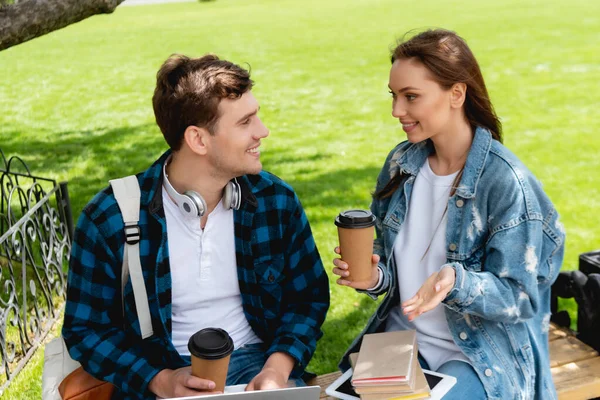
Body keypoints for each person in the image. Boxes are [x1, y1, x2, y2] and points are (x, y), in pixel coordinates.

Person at [62, 54, 330, 399]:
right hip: (159, 367)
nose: (262, 131)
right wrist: (160, 379)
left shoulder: (275, 201)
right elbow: (85, 329)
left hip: (257, 363)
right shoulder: (111, 217)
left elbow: (308, 298)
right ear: (198, 140)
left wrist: (276, 369)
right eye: (246, 122)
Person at [333, 29, 565, 400]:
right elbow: (394, 270)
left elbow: (524, 298)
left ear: (457, 94)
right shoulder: (401, 164)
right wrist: (373, 276)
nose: (396, 111)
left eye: (411, 97)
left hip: (477, 352)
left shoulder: (505, 182)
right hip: (404, 342)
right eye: (394, 96)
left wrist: (457, 282)